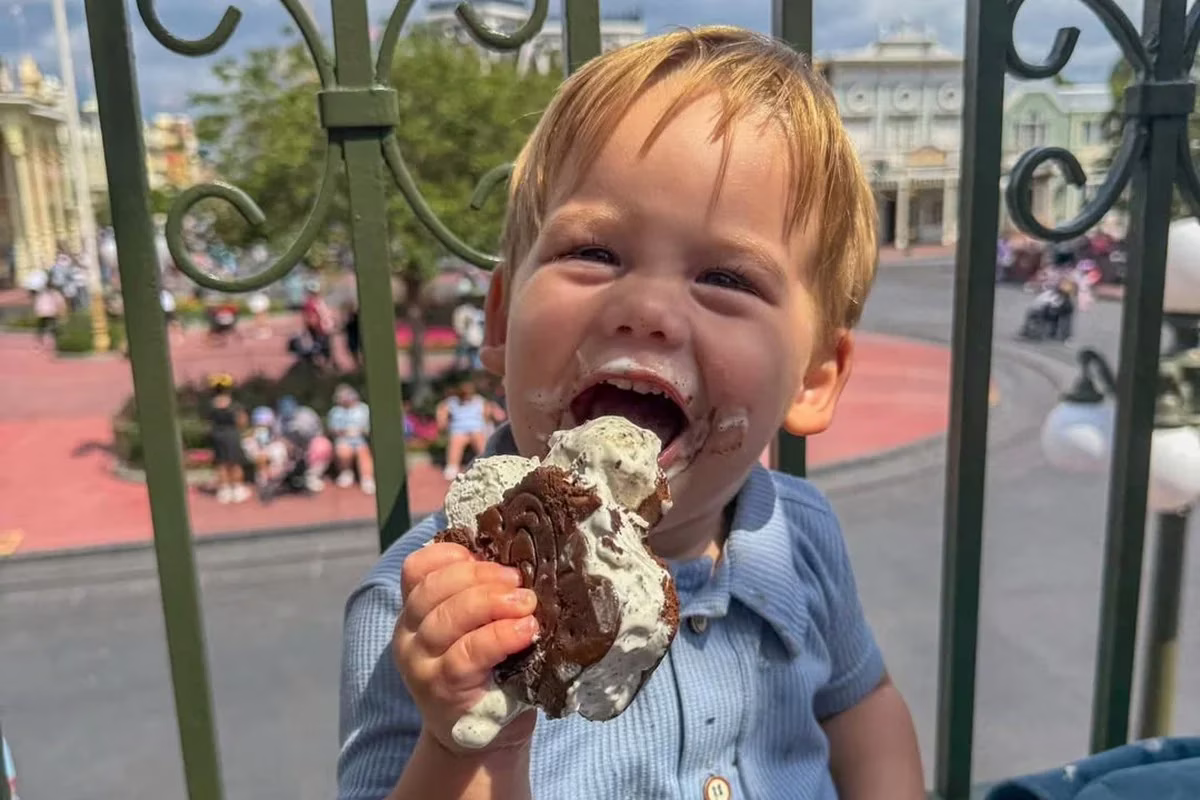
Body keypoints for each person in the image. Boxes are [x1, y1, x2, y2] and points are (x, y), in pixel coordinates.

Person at [337, 27, 923, 800]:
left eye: (726, 277)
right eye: (595, 252)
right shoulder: (427, 609)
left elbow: (863, 706)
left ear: (814, 378)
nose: (646, 309)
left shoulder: (802, 538)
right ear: (504, 321)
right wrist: (466, 740)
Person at [435, 377, 505, 480]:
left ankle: (487, 465)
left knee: (480, 441)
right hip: (459, 430)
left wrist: (492, 413)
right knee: (456, 442)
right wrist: (442, 421)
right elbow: (442, 411)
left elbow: (491, 413)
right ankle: (452, 466)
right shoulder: (452, 402)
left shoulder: (479, 400)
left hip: (476, 429)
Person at [206, 373, 251, 504]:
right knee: (235, 462)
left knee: (221, 462)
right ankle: (237, 488)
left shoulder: (212, 405)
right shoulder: (234, 405)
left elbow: (208, 421)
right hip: (232, 434)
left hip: (217, 435)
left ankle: (224, 489)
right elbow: (242, 420)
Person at [277, 394, 333, 492]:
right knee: (277, 449)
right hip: (292, 450)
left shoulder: (307, 414)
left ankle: (312, 477)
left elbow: (316, 434)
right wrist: (288, 445)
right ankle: (280, 479)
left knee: (323, 445)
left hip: (311, 445)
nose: (287, 409)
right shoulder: (280, 419)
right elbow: (278, 438)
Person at [327, 383, 375, 495]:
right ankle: (346, 472)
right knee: (343, 450)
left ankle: (367, 479)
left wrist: (360, 431)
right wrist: (345, 432)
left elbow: (369, 428)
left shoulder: (364, 409)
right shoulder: (336, 412)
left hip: (361, 439)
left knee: (363, 452)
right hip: (344, 439)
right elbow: (333, 430)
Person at [242, 406, 289, 500]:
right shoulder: (251, 436)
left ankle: (273, 480)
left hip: (267, 454)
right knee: (262, 459)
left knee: (279, 451)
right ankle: (264, 482)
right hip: (258, 453)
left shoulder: (273, 432)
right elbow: (254, 448)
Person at [301, 281, 335, 367]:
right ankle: (325, 364)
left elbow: (312, 318)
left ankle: (322, 365)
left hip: (320, 328)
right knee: (324, 347)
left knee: (320, 347)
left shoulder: (312, 303)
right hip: (324, 328)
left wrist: (311, 327)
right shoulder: (319, 301)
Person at [451, 301, 485, 370]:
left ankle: (476, 367)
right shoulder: (474, 315)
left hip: (474, 340)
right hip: (472, 340)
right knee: (468, 353)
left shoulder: (477, 315)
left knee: (472, 354)